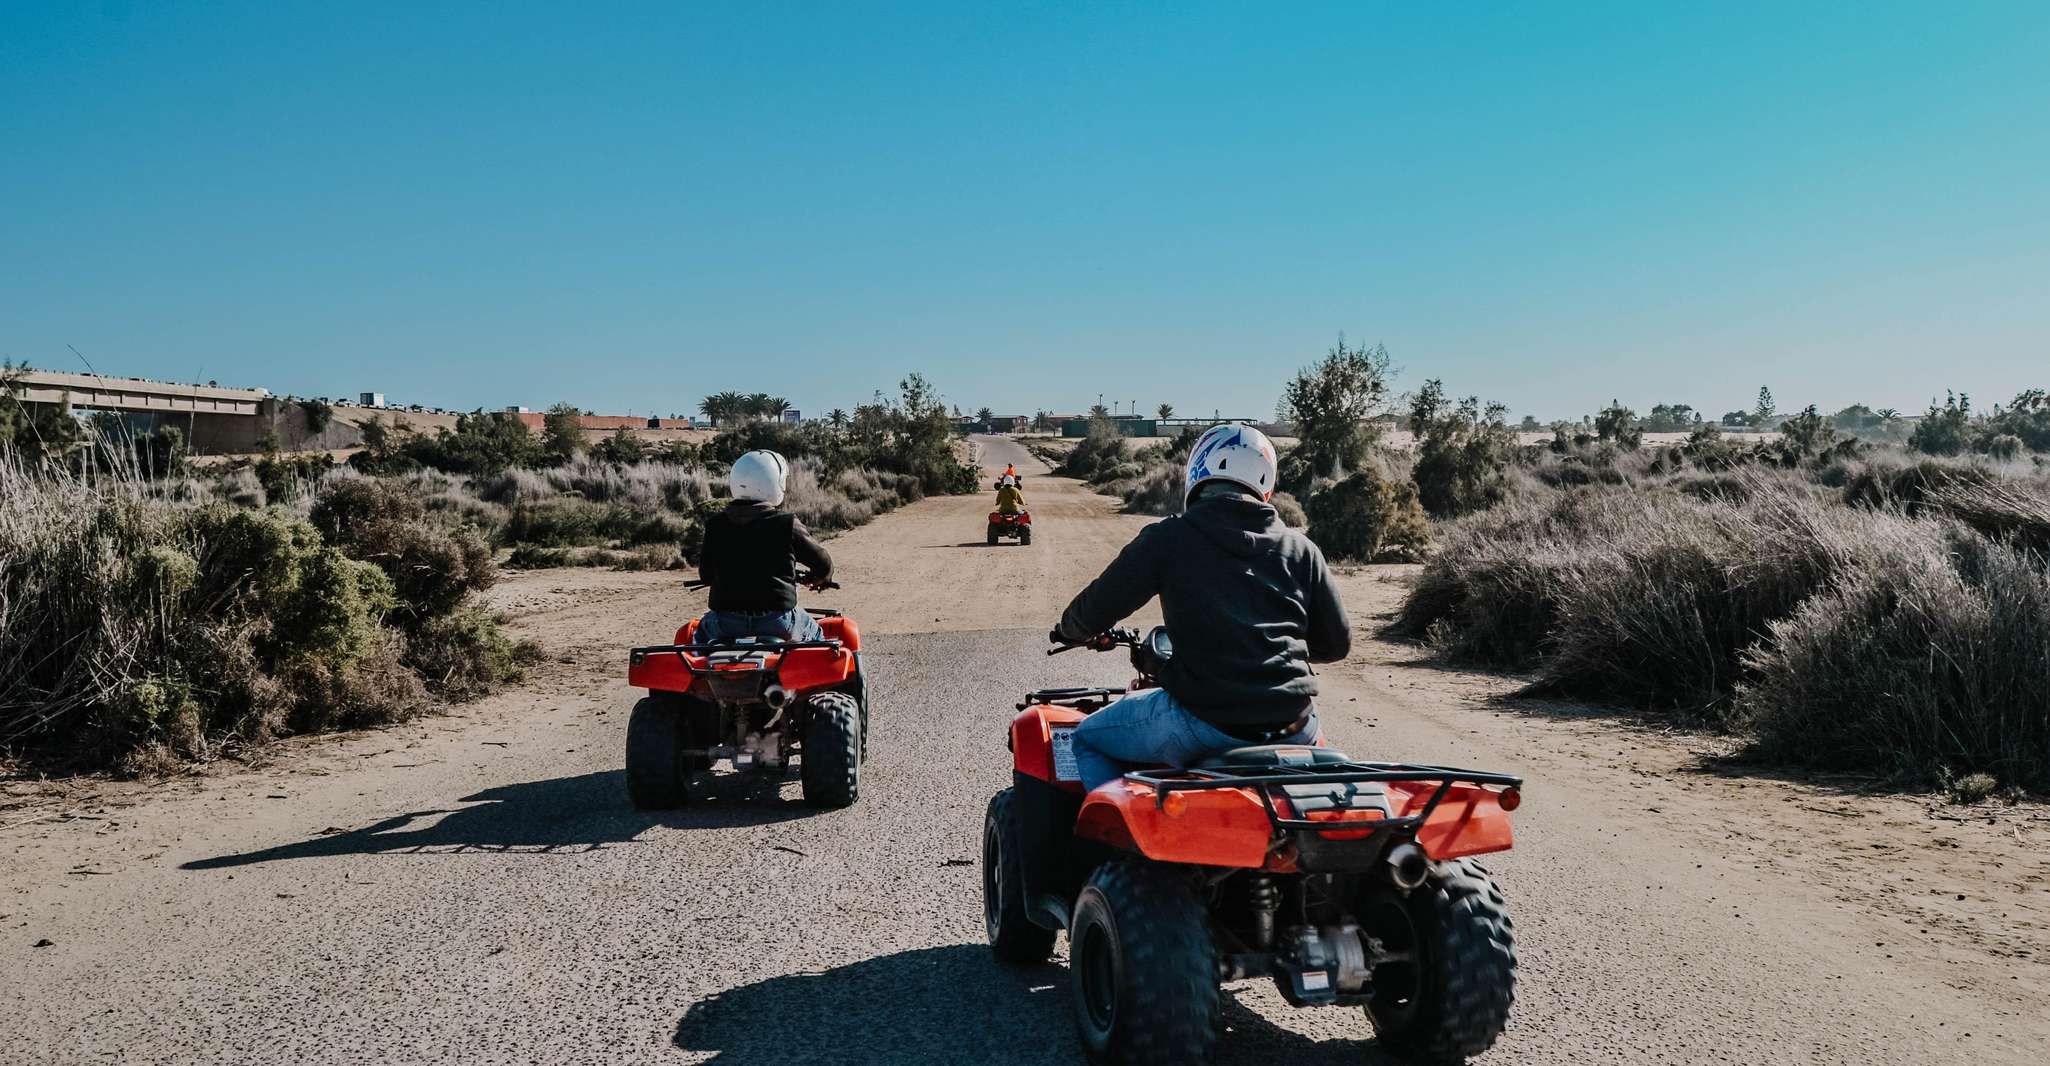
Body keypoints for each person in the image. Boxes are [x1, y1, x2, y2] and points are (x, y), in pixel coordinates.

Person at [1051, 425, 1350, 790]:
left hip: (1206, 723)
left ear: (1199, 472)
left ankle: (1118, 843)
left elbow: (1097, 607)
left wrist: (1068, 630)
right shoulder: (1302, 550)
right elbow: (1335, 645)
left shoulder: (1169, 538)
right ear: (1265, 483)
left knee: (1086, 738)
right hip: (1296, 725)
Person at [695, 450, 833, 644]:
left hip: (725, 624)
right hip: (779, 623)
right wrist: (820, 577)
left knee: (696, 642)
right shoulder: (787, 523)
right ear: (774, 482)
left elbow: (706, 575)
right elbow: (822, 563)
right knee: (819, 638)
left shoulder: (715, 525)